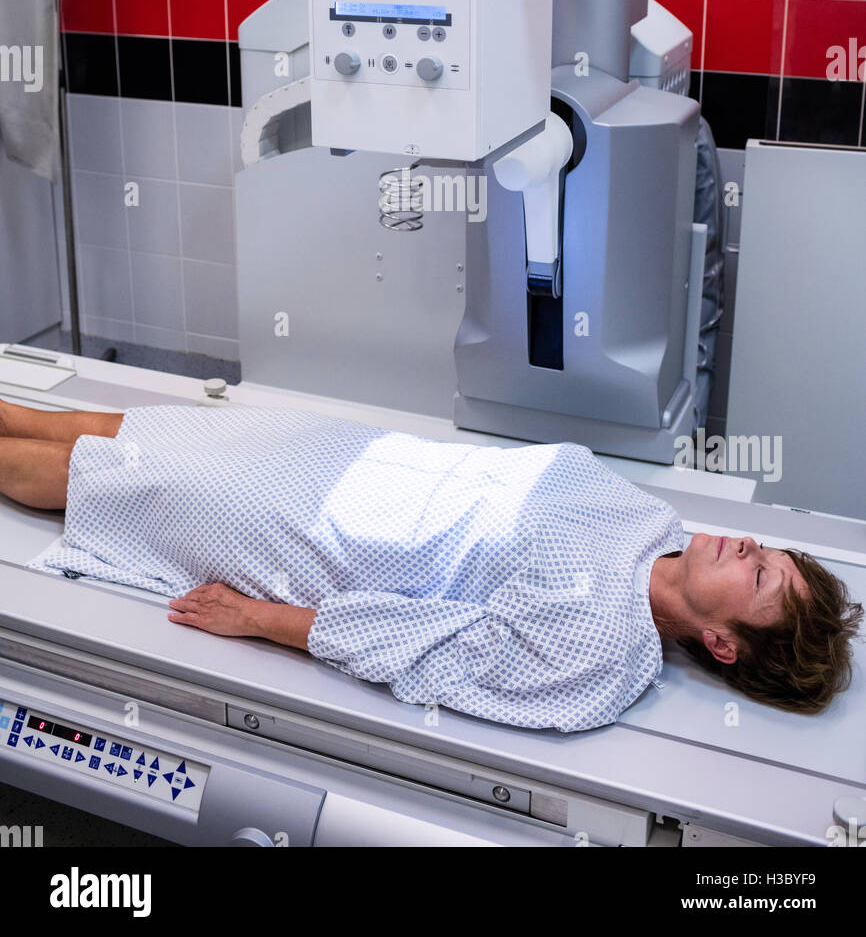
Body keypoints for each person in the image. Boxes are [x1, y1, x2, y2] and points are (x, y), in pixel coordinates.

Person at [0, 398, 861, 731]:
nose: (750, 548)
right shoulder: (649, 518)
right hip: (356, 454)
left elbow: (430, 650)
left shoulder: (600, 655)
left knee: (112, 483)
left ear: (720, 643)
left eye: (759, 579)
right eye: (768, 553)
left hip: (315, 527)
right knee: (154, 426)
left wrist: (263, 619)